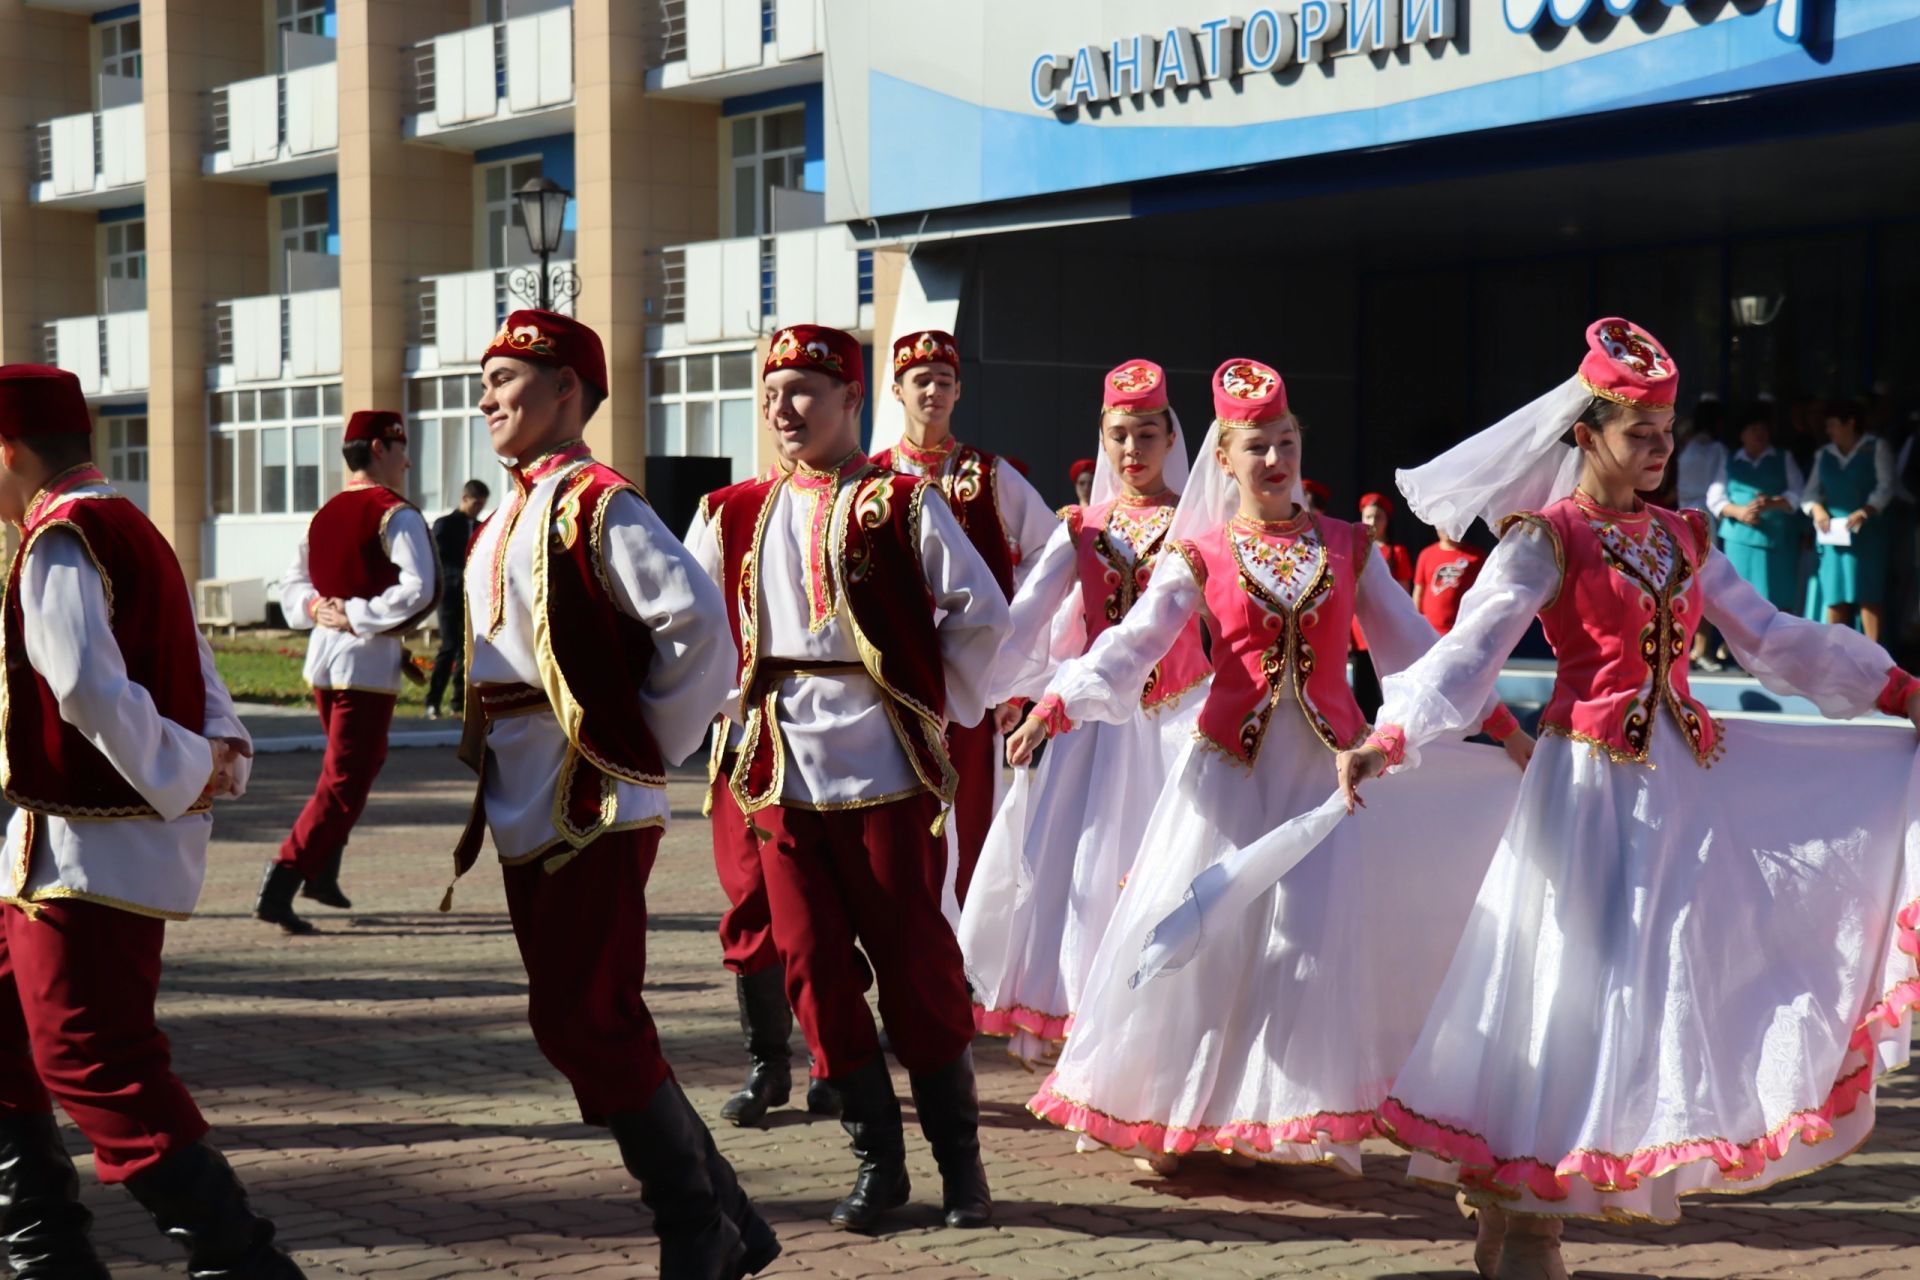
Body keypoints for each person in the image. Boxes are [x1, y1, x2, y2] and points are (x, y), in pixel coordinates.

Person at [1342, 318, 1920, 1279]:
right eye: (1637, 434)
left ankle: (1528, 1202)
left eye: (1664, 433)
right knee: (1569, 985)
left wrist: (1896, 688)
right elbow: (1471, 651)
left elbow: (1771, 637)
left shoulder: (1686, 536)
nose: (1656, 452)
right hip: (1586, 793)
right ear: (1586, 433)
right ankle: (1529, 1211)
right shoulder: (1548, 539)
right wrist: (1393, 732)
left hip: (1683, 796)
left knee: (1658, 987)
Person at [1012, 357, 1529, 1177]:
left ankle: (1298, 1112)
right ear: (1223, 458)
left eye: (1285, 442)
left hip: (1328, 777)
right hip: (1228, 774)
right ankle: (1168, 1108)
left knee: (1316, 940)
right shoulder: (1200, 553)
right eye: (1257, 446)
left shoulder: (1348, 548)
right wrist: (1060, 700)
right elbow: (1136, 640)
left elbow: (1420, 655)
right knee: (1205, 934)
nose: (1276, 460)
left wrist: (1502, 728)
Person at [446, 310, 777, 1278]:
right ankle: (731, 1216)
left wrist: (641, 747)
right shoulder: (506, 509)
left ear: (567, 391)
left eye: (507, 378)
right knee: (582, 1017)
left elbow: (702, 630)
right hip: (526, 794)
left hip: (588, 793)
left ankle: (693, 1225)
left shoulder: (601, 501)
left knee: (588, 1016)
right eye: (486, 379)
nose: (488, 396)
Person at [687, 324, 1011, 1234]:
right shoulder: (731, 510)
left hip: (880, 761)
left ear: (849, 402)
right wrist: (719, 709)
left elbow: (982, 616)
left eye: (802, 391)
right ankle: (880, 1163)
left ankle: (961, 1167)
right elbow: (691, 623)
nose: (782, 408)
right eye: (772, 390)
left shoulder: (902, 503)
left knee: (916, 961)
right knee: (812, 966)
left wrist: (929, 701)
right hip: (777, 764)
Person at [0, 364, 305, 1278]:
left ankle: (241, 1263)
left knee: (94, 1058)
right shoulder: (123, 521)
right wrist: (224, 751)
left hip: (86, 851)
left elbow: (91, 686)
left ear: (8, 451)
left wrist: (183, 769)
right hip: (52, 848)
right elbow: (193, 659)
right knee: (11, 1039)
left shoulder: (63, 534)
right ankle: (43, 1256)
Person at [962, 359, 1210, 1071]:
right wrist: (976, 686)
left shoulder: (1202, 526)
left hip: (1178, 723)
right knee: (1087, 875)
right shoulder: (1081, 526)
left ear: (1172, 438)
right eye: (1119, 437)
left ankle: (1162, 1028)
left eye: (1146, 435)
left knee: (1170, 870)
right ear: (1103, 441)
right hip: (1093, 730)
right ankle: (1088, 1032)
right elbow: (1022, 623)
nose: (1132, 451)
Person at [872, 330, 1057, 909]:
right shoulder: (870, 479)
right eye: (920, 380)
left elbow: (1053, 559)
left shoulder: (989, 475)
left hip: (969, 680)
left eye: (944, 381)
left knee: (972, 813)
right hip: (889, 680)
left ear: (959, 392)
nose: (933, 390)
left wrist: (1013, 668)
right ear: (897, 390)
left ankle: (967, 959)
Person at [259, 410, 438, 934]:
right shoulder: (394, 513)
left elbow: (292, 586)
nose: (407, 460)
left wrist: (318, 611)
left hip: (327, 660)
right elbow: (420, 588)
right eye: (401, 448)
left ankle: (319, 871)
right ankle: (284, 878)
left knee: (355, 768)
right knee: (344, 781)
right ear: (380, 449)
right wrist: (359, 615)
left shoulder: (326, 513)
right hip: (362, 663)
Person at [1804, 398, 1897, 641]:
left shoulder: (1876, 447)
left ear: (1850, 423)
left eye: (1833, 425)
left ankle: (1876, 660)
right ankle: (1836, 658)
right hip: (1833, 536)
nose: (1829, 431)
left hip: (1868, 535)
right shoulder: (1824, 454)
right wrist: (1817, 510)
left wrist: (1866, 510)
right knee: (1835, 595)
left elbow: (1886, 486)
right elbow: (1810, 492)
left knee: (1869, 595)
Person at [1707, 402, 1806, 614]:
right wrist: (1739, 512)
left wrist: (1774, 503)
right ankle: (1736, 648)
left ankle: (1778, 647)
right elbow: (1715, 497)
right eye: (1754, 429)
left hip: (1778, 542)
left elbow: (1798, 492)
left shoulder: (1783, 458)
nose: (1760, 434)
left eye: (1763, 429)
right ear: (1742, 434)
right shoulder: (1730, 460)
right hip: (1740, 542)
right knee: (1740, 603)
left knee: (1779, 601)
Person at [425, 479, 490, 719]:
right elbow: (438, 559)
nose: (478, 509)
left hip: (472, 598)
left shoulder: (482, 527)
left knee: (467, 649)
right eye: (475, 503)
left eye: (482, 505)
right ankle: (433, 701)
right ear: (464, 499)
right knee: (449, 646)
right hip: (450, 596)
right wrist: (459, 576)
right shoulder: (445, 525)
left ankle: (458, 702)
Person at [1349, 491, 1413, 718]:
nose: (1372, 523)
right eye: (1368, 517)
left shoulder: (1397, 553)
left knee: (1389, 691)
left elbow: (1404, 596)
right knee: (1362, 692)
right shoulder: (1354, 552)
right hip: (1359, 634)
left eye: (1378, 517)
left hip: (1387, 631)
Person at [1410, 530, 1487, 634]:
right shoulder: (1426, 554)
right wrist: (1415, 622)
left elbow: (1483, 593)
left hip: (1462, 630)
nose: (1445, 529)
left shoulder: (1477, 556)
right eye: (1442, 524)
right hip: (1430, 630)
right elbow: (1418, 591)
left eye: (1449, 523)